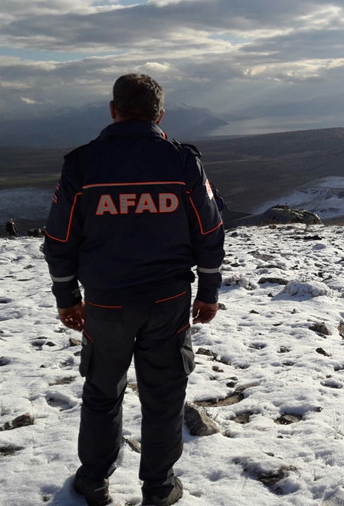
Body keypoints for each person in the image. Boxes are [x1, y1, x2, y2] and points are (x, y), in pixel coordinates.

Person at [43, 73, 224, 506]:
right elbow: (210, 228)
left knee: (102, 392)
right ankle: (158, 488)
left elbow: (60, 238)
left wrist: (67, 297)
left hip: (105, 303)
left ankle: (94, 481)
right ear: (160, 113)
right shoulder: (182, 162)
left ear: (113, 110)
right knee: (163, 395)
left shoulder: (82, 163)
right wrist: (209, 291)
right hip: (167, 301)